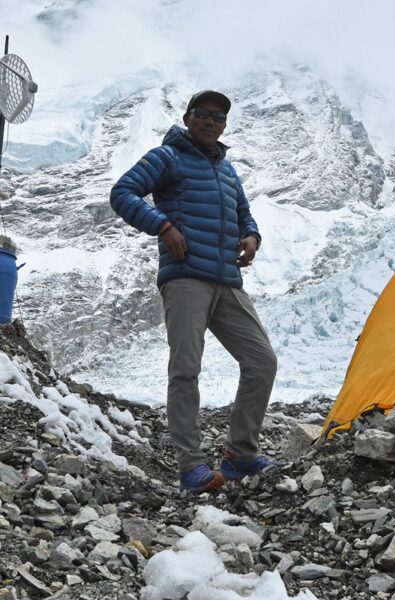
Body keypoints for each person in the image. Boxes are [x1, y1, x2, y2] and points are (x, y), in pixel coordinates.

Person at [110, 90, 278, 493]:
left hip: (227, 282)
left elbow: (244, 215)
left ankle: (240, 456)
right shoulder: (167, 157)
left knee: (262, 362)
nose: (211, 121)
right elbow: (123, 192)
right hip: (185, 278)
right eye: (203, 114)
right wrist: (163, 227)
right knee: (186, 370)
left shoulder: (226, 170)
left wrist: (251, 236)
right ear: (188, 118)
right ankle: (192, 467)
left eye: (219, 117)